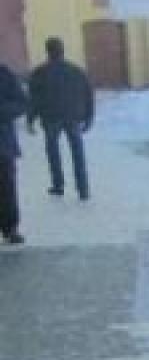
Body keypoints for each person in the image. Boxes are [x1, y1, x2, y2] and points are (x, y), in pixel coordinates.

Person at [27, 37, 94, 201]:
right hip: (73, 117)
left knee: (53, 153)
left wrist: (30, 119)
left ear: (47, 51)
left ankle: (58, 185)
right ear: (63, 50)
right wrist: (89, 117)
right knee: (78, 153)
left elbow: (34, 98)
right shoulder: (77, 70)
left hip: (51, 118)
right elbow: (88, 95)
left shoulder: (39, 72)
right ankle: (83, 189)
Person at [0, 61, 27, 244]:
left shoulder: (3, 73)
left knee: (6, 187)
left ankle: (10, 227)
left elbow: (22, 102)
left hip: (2, 143)